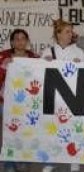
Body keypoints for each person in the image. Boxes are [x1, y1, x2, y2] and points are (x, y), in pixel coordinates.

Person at [42, 20, 84, 172]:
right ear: (58, 34)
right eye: (67, 31)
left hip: (73, 97)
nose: (71, 34)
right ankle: (51, 159)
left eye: (71, 31)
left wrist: (80, 65)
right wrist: (44, 64)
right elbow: (39, 74)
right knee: (53, 128)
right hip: (54, 97)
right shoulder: (48, 52)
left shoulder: (79, 52)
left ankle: (74, 160)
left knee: (73, 128)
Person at [0, 29, 38, 172]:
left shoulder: (35, 58)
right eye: (17, 39)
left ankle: (22, 159)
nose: (20, 41)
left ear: (27, 41)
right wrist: (3, 67)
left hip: (26, 105)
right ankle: (9, 163)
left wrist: (47, 63)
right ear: (11, 42)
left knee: (25, 132)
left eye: (23, 38)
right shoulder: (3, 57)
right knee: (8, 133)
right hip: (6, 103)